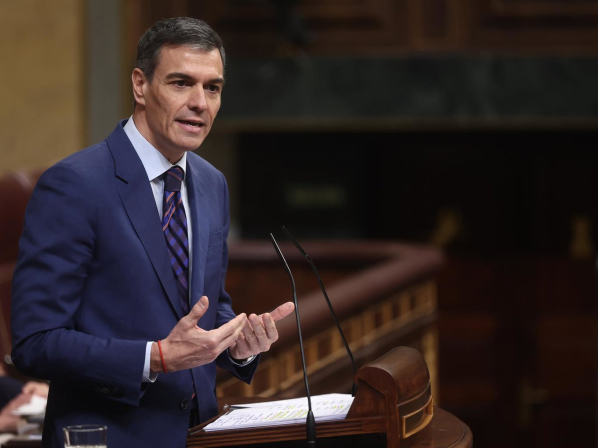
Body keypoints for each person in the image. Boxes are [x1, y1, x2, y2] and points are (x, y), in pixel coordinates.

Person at [11, 17, 293, 448]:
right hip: (108, 436)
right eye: (181, 83)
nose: (200, 103)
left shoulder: (211, 182)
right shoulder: (75, 184)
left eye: (212, 88)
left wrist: (238, 346)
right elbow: (35, 342)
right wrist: (155, 357)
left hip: (199, 434)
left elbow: (207, 306)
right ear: (140, 85)